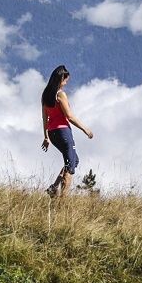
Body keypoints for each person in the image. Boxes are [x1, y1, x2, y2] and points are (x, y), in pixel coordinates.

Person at [40, 65, 94, 198]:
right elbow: (69, 116)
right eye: (65, 81)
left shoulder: (45, 95)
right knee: (70, 167)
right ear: (60, 79)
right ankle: (62, 201)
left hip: (53, 133)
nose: (65, 84)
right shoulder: (60, 95)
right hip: (63, 132)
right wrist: (85, 129)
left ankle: (53, 187)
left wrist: (46, 137)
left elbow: (45, 118)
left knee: (74, 160)